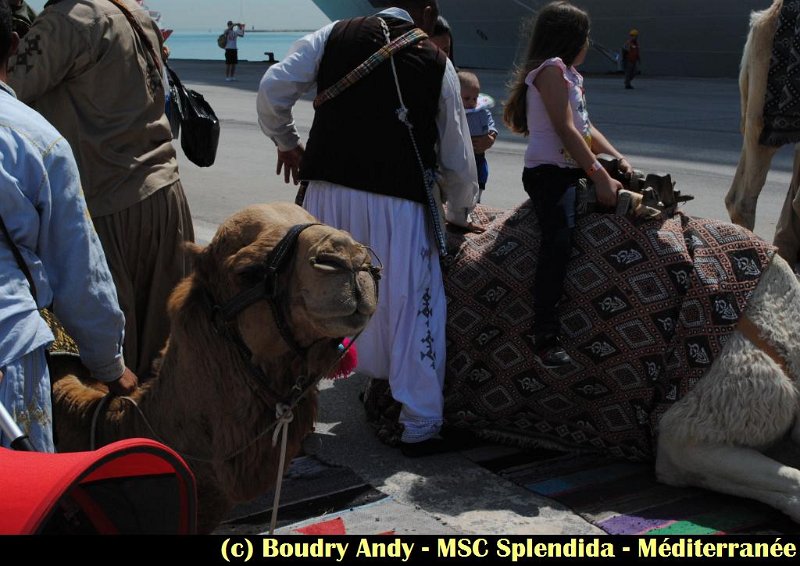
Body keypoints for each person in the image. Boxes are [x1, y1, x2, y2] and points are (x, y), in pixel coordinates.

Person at [257, 0, 479, 456]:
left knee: (314, 300)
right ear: (429, 9)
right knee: (412, 302)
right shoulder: (436, 61)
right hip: (398, 203)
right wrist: (460, 212)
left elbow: (273, 86)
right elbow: (458, 156)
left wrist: (287, 142)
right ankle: (419, 424)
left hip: (326, 196)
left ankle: (292, 413)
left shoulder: (334, 34)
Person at [8, 0, 196, 380]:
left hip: (111, 204)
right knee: (164, 356)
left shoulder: (65, 23)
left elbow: (6, 87)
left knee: (108, 363)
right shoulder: (131, 11)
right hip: (164, 195)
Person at [0, 0, 137, 452]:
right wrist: (109, 364)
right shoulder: (35, 138)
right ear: (15, 45)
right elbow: (79, 271)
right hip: (8, 353)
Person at [503, 0, 632, 368]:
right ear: (570, 38)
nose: (589, 43)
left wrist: (618, 160)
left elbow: (588, 129)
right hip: (548, 173)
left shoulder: (572, 75)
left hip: (571, 168)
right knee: (558, 239)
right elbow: (565, 129)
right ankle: (544, 334)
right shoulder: (551, 71)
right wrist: (599, 176)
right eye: (585, 36)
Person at [458, 70, 497, 202]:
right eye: (467, 98)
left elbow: (490, 123)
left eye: (475, 98)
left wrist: (491, 136)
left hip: (478, 153)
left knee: (481, 175)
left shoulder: (481, 111)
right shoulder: (456, 112)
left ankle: (478, 198)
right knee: (462, 180)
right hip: (461, 155)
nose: (472, 102)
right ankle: (461, 203)